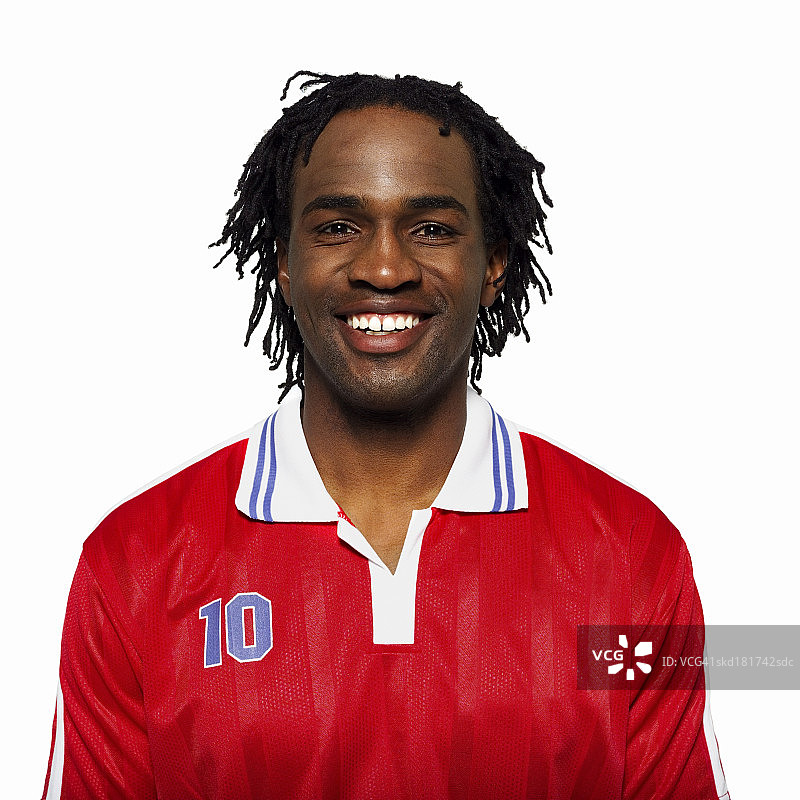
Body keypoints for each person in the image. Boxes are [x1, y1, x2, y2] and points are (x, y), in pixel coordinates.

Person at [42, 71, 730, 799]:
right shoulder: (137, 562)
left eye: (431, 228)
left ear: (493, 263)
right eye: (339, 227)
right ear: (283, 261)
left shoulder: (629, 553)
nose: (384, 268)